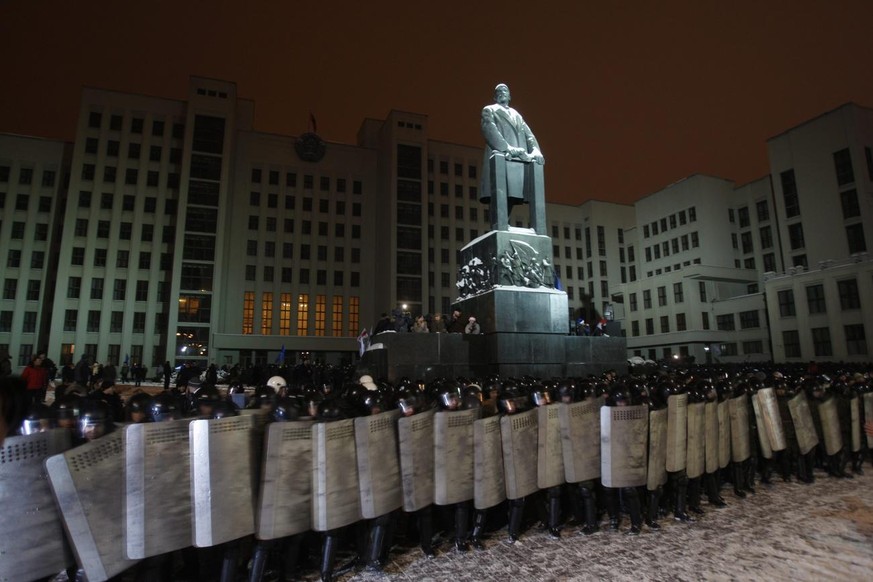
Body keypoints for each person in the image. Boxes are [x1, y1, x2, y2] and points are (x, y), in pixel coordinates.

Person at [479, 83, 546, 233]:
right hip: (500, 160)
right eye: (499, 91)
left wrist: (536, 150)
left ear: (509, 96)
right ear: (495, 96)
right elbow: (490, 130)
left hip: (516, 164)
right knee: (499, 196)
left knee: (511, 196)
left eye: (505, 91)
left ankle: (504, 225)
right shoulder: (489, 110)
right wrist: (508, 148)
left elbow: (529, 136)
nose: (502, 93)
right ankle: (498, 225)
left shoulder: (517, 115)